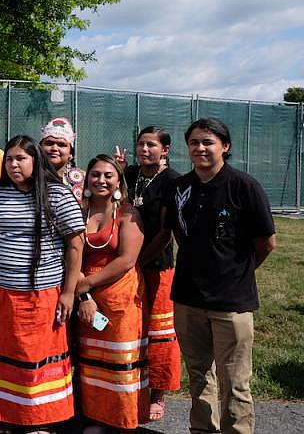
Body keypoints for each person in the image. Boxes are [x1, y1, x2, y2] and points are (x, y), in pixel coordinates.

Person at [163, 118, 276, 434]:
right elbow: (177, 231)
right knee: (199, 376)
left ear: (224, 147)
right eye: (194, 142)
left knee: (235, 382)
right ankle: (203, 430)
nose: (200, 148)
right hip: (187, 299)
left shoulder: (244, 186)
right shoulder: (180, 187)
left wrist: (238, 273)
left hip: (231, 303)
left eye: (208, 142)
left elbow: (267, 243)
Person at [0, 135, 84, 434]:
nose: (14, 164)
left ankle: (39, 420)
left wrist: (69, 293)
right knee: (2, 353)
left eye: (21, 158)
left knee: (36, 357)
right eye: (9, 159)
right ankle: (5, 414)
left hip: (40, 294)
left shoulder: (58, 195)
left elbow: (75, 247)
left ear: (36, 160)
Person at [76, 154, 148, 433]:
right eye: (95, 174)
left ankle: (121, 421)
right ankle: (96, 418)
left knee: (120, 361)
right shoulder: (79, 210)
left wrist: (87, 284)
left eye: (108, 175)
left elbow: (127, 259)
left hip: (121, 296)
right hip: (88, 297)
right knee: (93, 361)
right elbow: (72, 255)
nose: (101, 180)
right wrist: (84, 295)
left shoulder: (128, 213)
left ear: (119, 180)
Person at [115, 126, 182, 422]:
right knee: (131, 326)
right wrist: (118, 171)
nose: (144, 150)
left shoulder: (172, 181)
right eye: (141, 144)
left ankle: (158, 392)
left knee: (158, 330)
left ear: (165, 150)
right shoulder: (131, 174)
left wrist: (138, 261)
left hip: (156, 266)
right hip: (127, 265)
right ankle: (131, 383)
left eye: (151, 145)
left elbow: (166, 232)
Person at [39, 117, 85, 201]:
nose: (54, 148)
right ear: (40, 147)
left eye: (61, 145)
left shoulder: (83, 180)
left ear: (71, 152)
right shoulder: (29, 175)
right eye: (49, 143)